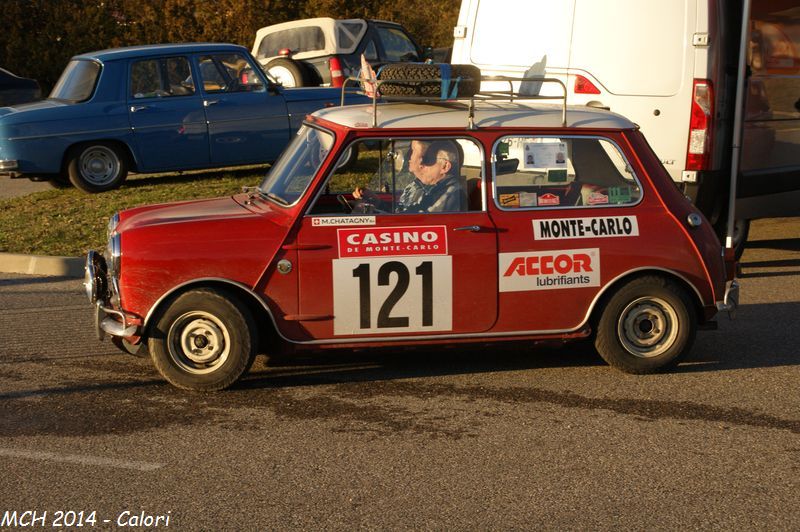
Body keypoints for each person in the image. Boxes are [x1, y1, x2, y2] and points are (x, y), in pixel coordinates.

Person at [353, 139, 466, 213]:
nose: (422, 162)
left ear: (445, 166)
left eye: (428, 159)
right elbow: (402, 210)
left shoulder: (451, 193)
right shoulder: (420, 186)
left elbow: (415, 223)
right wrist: (377, 202)